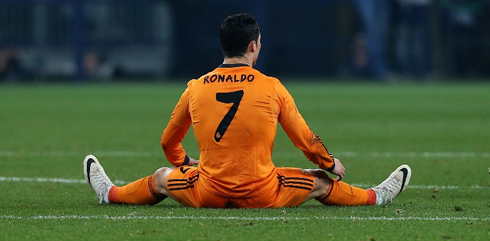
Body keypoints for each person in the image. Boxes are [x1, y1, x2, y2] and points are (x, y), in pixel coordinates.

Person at [84, 13, 411, 208]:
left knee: (160, 178)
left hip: (208, 190)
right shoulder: (271, 86)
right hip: (262, 191)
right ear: (253, 45)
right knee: (318, 182)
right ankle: (375, 197)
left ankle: (109, 193)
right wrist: (329, 162)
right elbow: (305, 139)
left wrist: (184, 163)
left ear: (223, 46)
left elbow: (168, 142)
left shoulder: (196, 87)